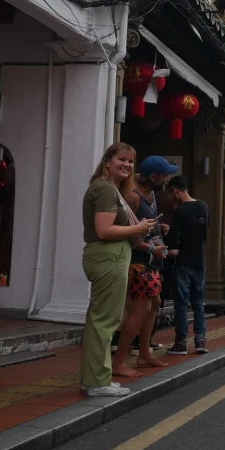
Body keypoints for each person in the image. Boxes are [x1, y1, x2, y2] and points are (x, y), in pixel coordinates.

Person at [80, 143, 155, 397]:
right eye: (122, 159)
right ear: (108, 161)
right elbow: (104, 230)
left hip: (109, 257)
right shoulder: (104, 188)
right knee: (105, 320)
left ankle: (93, 378)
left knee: (99, 319)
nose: (127, 165)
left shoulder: (110, 188)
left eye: (131, 162)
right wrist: (138, 229)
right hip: (107, 257)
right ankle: (98, 381)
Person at [112, 156, 177, 378]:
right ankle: (119, 360)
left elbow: (144, 226)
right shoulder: (133, 197)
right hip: (139, 262)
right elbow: (129, 235)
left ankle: (144, 353)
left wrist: (159, 228)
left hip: (151, 261)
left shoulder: (151, 196)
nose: (168, 178)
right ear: (153, 177)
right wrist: (151, 250)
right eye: (165, 175)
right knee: (140, 310)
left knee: (155, 303)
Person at [164, 175, 210, 356]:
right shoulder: (204, 206)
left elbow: (173, 244)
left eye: (170, 193)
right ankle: (200, 341)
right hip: (201, 263)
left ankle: (181, 343)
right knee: (199, 304)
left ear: (175, 191)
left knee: (181, 305)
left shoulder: (180, 211)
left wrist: (167, 232)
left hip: (184, 263)